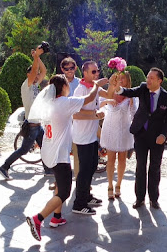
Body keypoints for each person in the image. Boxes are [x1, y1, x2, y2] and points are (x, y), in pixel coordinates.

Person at [25, 74, 107, 241]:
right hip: (59, 155)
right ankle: (38, 219)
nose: (69, 86)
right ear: (62, 87)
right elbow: (90, 97)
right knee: (64, 193)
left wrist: (95, 114)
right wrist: (97, 85)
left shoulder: (51, 104)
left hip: (49, 152)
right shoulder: (64, 102)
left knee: (59, 185)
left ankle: (56, 218)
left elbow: (80, 113)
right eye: (67, 84)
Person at [111, 68, 167, 210]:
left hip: (157, 138)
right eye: (148, 77)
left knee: (155, 168)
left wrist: (163, 135)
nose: (148, 80)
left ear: (159, 81)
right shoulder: (142, 88)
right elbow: (128, 92)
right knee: (140, 167)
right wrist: (118, 88)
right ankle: (139, 198)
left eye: (152, 78)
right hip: (141, 134)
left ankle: (154, 198)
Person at [0, 45, 49, 180]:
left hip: (38, 125)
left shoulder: (35, 85)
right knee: (24, 150)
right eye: (34, 73)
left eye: (37, 75)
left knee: (44, 147)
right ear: (29, 74)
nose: (37, 75)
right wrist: (36, 58)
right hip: (31, 125)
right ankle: (4, 167)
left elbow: (43, 70)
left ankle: (48, 169)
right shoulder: (27, 85)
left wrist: (37, 57)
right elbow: (35, 71)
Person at [71, 61, 109, 215]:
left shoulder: (94, 89)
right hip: (82, 137)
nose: (96, 74)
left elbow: (109, 96)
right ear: (85, 73)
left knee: (93, 166)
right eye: (93, 72)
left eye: (97, 71)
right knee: (85, 170)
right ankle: (79, 203)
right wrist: (94, 115)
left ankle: (86, 195)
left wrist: (113, 82)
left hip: (92, 136)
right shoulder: (80, 90)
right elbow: (75, 114)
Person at [100, 71, 137, 200]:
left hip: (124, 129)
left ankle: (119, 184)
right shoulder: (110, 92)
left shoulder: (131, 95)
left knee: (122, 159)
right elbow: (102, 105)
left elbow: (134, 113)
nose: (121, 80)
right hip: (111, 128)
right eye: (118, 78)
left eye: (123, 78)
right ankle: (109, 185)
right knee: (110, 159)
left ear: (127, 80)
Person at [60, 56, 81, 180]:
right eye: (66, 68)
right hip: (62, 122)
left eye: (72, 68)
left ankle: (79, 181)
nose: (69, 70)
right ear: (62, 69)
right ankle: (59, 182)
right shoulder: (58, 82)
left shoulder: (80, 83)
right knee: (61, 154)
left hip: (77, 121)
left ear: (75, 68)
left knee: (77, 153)